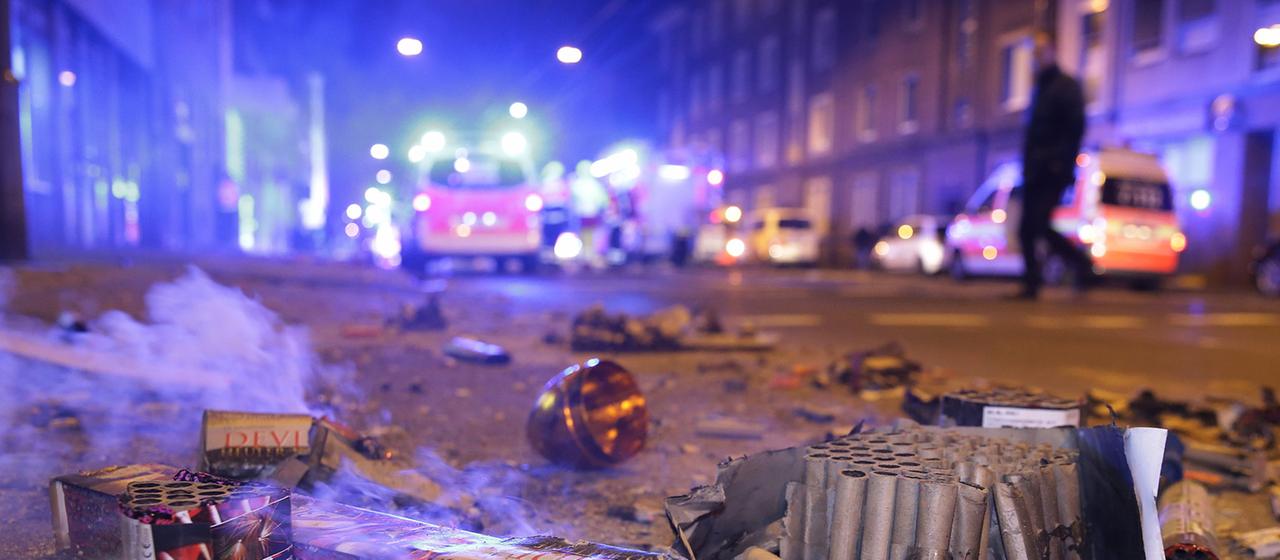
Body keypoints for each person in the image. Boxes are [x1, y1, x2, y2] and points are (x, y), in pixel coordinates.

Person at [1015, 33, 1092, 299]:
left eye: (1040, 51)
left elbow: (1075, 128)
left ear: (1052, 51)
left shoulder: (1065, 87)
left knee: (1037, 223)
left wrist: (1062, 163)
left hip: (1052, 169)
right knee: (1029, 227)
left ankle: (1079, 265)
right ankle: (1034, 282)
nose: (1036, 57)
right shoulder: (1040, 89)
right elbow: (1032, 135)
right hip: (1035, 169)